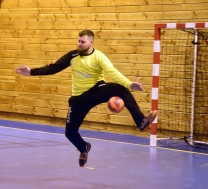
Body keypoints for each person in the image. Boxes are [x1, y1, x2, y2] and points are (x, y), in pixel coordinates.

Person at [15, 30, 157, 167]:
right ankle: (84, 148)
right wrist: (31, 72)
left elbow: (112, 72)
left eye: (82, 42)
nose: (79, 44)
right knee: (70, 133)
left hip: (96, 90)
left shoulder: (99, 57)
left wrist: (129, 84)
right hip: (79, 98)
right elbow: (53, 68)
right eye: (78, 41)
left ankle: (141, 121)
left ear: (91, 42)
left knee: (120, 88)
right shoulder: (73, 55)